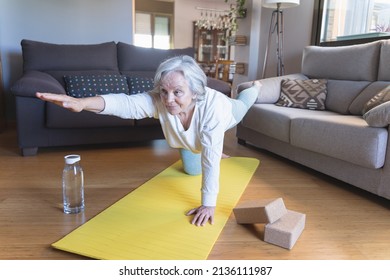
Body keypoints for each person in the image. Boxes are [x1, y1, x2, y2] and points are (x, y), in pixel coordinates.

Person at [36, 55, 260, 226]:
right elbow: (126, 104)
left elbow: (210, 162)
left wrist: (209, 205)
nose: (168, 100)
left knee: (242, 104)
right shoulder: (160, 100)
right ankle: (210, 144)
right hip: (191, 140)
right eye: (164, 91)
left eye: (177, 92)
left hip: (231, 112)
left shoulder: (214, 109)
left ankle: (254, 88)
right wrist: (82, 103)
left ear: (195, 91)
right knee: (192, 170)